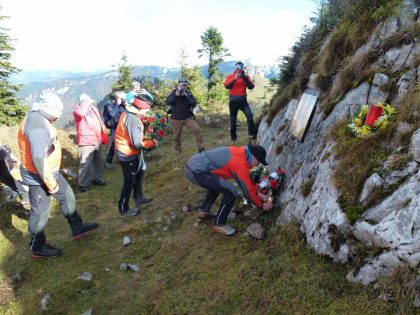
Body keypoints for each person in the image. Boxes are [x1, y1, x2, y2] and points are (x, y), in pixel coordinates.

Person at [18, 92, 98, 258]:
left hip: (50, 171)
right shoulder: (37, 127)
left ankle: (78, 227)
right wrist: (50, 183)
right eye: (57, 109)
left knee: (68, 197)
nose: (60, 112)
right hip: (38, 176)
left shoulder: (40, 117)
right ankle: (37, 247)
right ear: (45, 107)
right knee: (40, 213)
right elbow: (38, 159)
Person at [184, 144, 273, 237]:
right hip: (196, 172)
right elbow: (247, 190)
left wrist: (258, 194)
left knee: (220, 184)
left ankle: (203, 211)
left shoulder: (240, 153)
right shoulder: (240, 162)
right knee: (231, 191)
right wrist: (262, 205)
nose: (257, 165)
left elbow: (246, 183)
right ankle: (219, 223)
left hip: (192, 166)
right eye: (258, 162)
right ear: (254, 157)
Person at [115, 91, 158, 218]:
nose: (148, 111)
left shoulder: (128, 112)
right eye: (147, 109)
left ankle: (138, 197)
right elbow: (137, 144)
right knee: (129, 181)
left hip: (127, 151)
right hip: (127, 154)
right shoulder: (133, 120)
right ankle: (123, 209)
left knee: (139, 173)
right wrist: (152, 142)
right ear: (140, 107)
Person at [73, 93, 108, 192]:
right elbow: (80, 114)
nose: (90, 103)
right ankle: (83, 184)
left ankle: (96, 178)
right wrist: (86, 104)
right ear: (83, 102)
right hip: (86, 141)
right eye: (88, 102)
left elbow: (99, 120)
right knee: (86, 163)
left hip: (97, 139)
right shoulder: (77, 110)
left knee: (98, 161)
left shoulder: (93, 109)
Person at [166, 79, 205, 156]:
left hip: (187, 118)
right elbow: (168, 102)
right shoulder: (174, 92)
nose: (184, 86)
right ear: (179, 85)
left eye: (185, 84)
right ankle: (178, 151)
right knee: (176, 136)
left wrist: (186, 96)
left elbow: (194, 103)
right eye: (182, 84)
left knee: (197, 129)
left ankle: (201, 148)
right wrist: (175, 95)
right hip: (176, 119)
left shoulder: (188, 93)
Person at [224, 61, 257, 142]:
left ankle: (251, 134)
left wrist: (244, 78)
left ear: (242, 68)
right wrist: (235, 78)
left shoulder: (246, 76)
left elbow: (251, 87)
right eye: (237, 68)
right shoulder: (230, 76)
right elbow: (226, 86)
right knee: (233, 120)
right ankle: (233, 137)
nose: (239, 69)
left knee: (249, 115)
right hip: (233, 102)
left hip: (242, 101)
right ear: (235, 68)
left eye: (240, 67)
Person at [103, 92, 125, 169]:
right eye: (121, 98)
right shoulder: (110, 104)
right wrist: (117, 104)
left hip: (123, 126)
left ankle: (121, 158)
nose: (122, 100)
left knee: (122, 143)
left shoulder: (123, 104)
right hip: (115, 127)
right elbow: (112, 113)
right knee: (113, 143)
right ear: (117, 98)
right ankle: (108, 160)